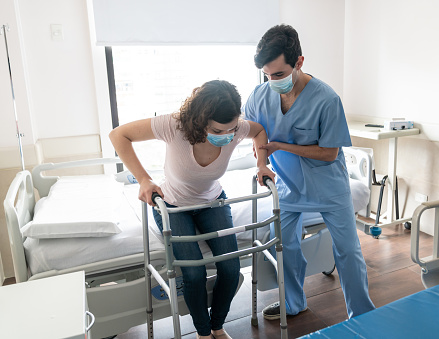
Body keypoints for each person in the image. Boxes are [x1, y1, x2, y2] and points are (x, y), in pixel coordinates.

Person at [110, 80, 275, 339]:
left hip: (212, 202)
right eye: (219, 130)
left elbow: (259, 131)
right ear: (200, 120)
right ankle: (203, 333)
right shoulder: (174, 126)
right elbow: (118, 135)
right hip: (175, 206)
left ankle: (217, 326)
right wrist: (143, 179)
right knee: (194, 273)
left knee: (231, 268)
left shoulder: (237, 129)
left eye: (232, 128)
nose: (228, 135)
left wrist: (262, 165)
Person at [243, 24, 376, 320]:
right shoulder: (259, 95)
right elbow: (255, 129)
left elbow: (329, 153)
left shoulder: (326, 99)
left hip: (329, 187)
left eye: (278, 74)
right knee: (285, 246)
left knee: (348, 253)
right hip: (288, 186)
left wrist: (281, 146)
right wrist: (261, 160)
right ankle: (293, 302)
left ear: (299, 62)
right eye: (266, 74)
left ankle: (364, 314)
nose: (271, 80)